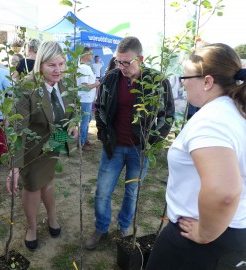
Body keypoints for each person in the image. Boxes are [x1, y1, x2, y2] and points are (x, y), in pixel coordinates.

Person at [146, 43, 246, 270]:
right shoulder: (235, 111)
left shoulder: (212, 121)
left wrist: (205, 234)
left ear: (208, 81)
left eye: (186, 76)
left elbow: (224, 192)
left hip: (201, 240)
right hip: (230, 232)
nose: (182, 82)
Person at [85, 36, 175, 249]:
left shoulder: (156, 81)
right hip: (113, 147)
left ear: (141, 59)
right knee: (103, 191)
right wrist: (103, 134)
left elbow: (167, 114)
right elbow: (100, 107)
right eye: (118, 61)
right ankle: (101, 227)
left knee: (132, 192)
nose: (122, 66)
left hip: (139, 149)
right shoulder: (111, 78)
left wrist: (152, 141)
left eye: (126, 62)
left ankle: (124, 226)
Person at [6, 41, 78, 251]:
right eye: (51, 65)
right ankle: (32, 228)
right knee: (33, 185)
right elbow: (18, 131)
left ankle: (52, 217)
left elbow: (71, 109)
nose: (58, 70)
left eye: (61, 64)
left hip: (55, 142)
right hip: (32, 148)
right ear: (40, 65)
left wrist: (72, 123)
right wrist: (15, 167)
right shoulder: (26, 87)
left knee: (49, 178)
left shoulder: (65, 83)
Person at [77, 46, 100, 151]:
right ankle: (81, 143)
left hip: (87, 99)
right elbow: (85, 86)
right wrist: (96, 84)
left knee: (88, 119)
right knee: (85, 121)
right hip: (84, 99)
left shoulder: (86, 67)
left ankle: (84, 139)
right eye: (91, 53)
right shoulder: (83, 68)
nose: (92, 55)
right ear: (85, 55)